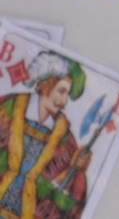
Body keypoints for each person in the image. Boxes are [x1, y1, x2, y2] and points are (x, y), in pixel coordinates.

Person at [0, 51, 88, 219]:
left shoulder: (66, 142)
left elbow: (69, 198)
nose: (63, 102)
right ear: (45, 84)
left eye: (66, 94)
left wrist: (77, 168)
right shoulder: (6, 109)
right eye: (61, 91)